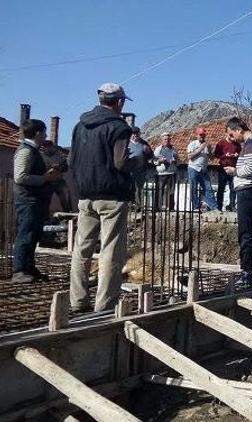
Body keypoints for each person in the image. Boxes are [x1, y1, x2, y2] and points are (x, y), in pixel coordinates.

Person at [69, 83, 138, 312]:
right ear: (119, 102)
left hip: (86, 195)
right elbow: (120, 162)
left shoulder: (80, 126)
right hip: (112, 197)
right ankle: (105, 305)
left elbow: (71, 161)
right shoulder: (118, 127)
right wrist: (141, 159)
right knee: (110, 251)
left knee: (82, 249)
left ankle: (77, 301)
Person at [12, 119, 60, 283]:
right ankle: (19, 270)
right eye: (44, 132)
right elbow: (20, 177)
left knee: (33, 235)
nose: (46, 135)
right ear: (38, 133)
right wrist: (44, 178)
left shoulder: (34, 151)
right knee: (26, 234)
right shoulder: (25, 151)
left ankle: (29, 268)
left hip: (36, 200)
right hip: (28, 200)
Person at [222, 117, 252, 288]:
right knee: (246, 232)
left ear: (239, 129)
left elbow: (249, 169)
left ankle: (246, 274)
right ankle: (247, 271)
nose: (232, 139)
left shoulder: (251, 143)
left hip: (248, 192)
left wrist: (234, 171)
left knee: (245, 232)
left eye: (232, 134)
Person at [186, 127, 220, 211]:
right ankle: (195, 207)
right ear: (197, 135)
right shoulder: (192, 144)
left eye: (204, 135)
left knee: (208, 188)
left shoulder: (207, 145)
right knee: (193, 188)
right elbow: (190, 156)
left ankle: (214, 207)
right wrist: (200, 148)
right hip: (193, 168)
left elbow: (212, 158)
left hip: (203, 169)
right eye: (200, 135)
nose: (202, 136)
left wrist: (209, 150)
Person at [39, 139, 72, 212]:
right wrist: (48, 169)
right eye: (44, 148)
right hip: (47, 181)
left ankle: (68, 214)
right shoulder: (40, 156)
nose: (46, 149)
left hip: (58, 180)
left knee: (66, 194)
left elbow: (65, 167)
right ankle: (45, 216)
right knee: (45, 199)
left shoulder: (59, 155)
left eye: (49, 147)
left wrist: (58, 167)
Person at [127, 126, 153, 208]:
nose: (135, 135)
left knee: (139, 188)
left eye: (137, 134)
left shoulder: (144, 143)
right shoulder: (126, 143)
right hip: (129, 170)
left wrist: (148, 152)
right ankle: (130, 205)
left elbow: (151, 155)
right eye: (133, 134)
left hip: (141, 170)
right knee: (130, 187)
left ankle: (138, 206)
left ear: (139, 134)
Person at [214, 134, 241, 212]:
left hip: (233, 169)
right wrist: (225, 155)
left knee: (233, 188)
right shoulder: (221, 143)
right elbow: (216, 154)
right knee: (221, 188)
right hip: (223, 168)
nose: (233, 137)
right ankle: (219, 206)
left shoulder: (237, 144)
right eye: (231, 136)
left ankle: (232, 205)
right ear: (226, 134)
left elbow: (240, 154)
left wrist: (237, 155)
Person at [153, 132, 179, 211]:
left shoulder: (174, 150)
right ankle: (157, 207)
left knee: (171, 191)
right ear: (162, 140)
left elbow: (178, 160)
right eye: (165, 139)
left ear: (170, 140)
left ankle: (170, 208)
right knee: (160, 190)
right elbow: (154, 161)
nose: (166, 140)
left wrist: (174, 161)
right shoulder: (158, 149)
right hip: (161, 173)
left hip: (171, 172)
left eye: (168, 139)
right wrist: (160, 160)